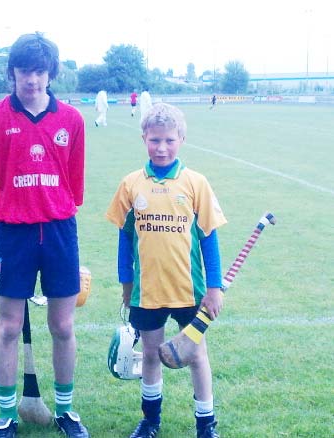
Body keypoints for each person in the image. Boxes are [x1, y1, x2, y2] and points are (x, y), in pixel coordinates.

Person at [0, 32, 90, 438]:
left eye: (39, 71)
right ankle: (6, 415)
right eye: (24, 71)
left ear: (51, 73)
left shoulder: (71, 120)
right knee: (7, 326)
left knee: (62, 326)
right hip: (13, 235)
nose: (32, 80)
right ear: (12, 72)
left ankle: (67, 411)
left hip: (58, 234)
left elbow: (72, 191)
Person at [106, 103, 227, 438]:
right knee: (149, 354)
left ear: (182, 139)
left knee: (197, 355)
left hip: (190, 291)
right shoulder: (131, 184)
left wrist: (214, 287)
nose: (162, 148)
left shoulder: (195, 183)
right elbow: (124, 239)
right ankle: (150, 420)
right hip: (147, 291)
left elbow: (209, 238)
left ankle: (206, 425)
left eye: (169, 140)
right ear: (144, 138)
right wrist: (126, 284)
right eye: (155, 140)